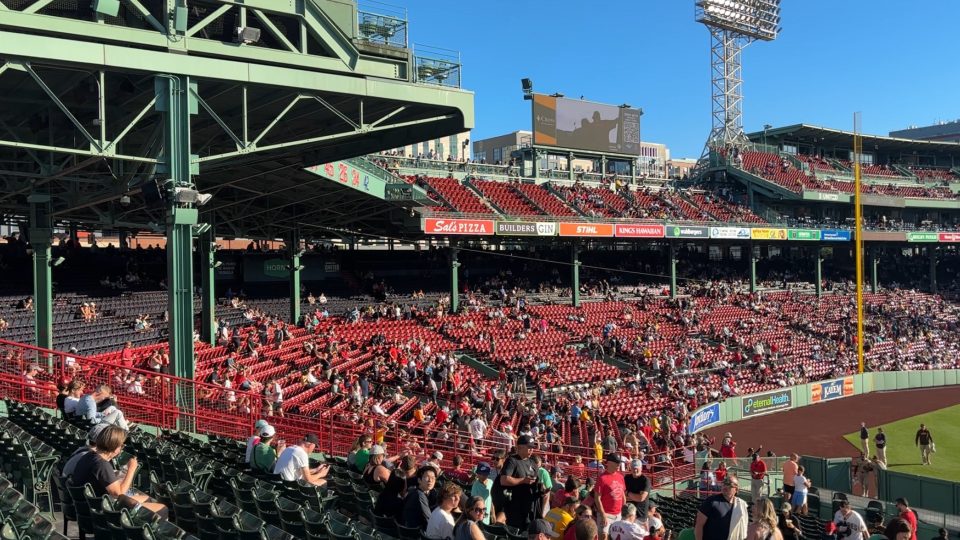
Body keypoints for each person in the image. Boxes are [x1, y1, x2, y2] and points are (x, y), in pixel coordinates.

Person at [68, 425, 167, 515]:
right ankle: (140, 532)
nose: (122, 448)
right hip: (104, 512)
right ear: (115, 448)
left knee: (147, 498)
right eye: (121, 445)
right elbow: (120, 495)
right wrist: (131, 469)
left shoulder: (89, 456)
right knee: (162, 508)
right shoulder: (101, 464)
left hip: (91, 506)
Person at [500, 435, 539, 530]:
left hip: (530, 508)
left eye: (532, 448)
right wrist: (523, 480)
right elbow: (503, 480)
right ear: (520, 447)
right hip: (515, 508)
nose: (531, 450)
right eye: (529, 447)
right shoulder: (512, 460)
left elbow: (537, 481)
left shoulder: (533, 463)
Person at [694, 475, 749, 540]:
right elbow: (699, 525)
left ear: (736, 489)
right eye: (724, 483)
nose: (725, 486)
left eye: (729, 484)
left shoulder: (741, 506)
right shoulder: (711, 501)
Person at [593, 453, 626, 539]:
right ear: (609, 463)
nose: (619, 465)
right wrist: (603, 515)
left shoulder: (620, 477)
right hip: (606, 514)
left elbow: (622, 494)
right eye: (616, 462)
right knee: (604, 536)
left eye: (619, 462)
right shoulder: (602, 478)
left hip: (618, 514)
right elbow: (597, 498)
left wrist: (624, 510)